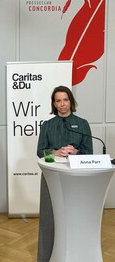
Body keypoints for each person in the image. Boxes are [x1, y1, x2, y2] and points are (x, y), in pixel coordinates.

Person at [36, 85, 93, 262]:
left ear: (71, 101)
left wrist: (76, 152)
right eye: (58, 100)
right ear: (54, 103)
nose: (62, 104)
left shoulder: (82, 124)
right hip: (52, 177)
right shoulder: (47, 125)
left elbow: (89, 152)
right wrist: (55, 152)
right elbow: (40, 151)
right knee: (50, 217)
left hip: (76, 178)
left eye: (65, 100)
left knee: (74, 217)